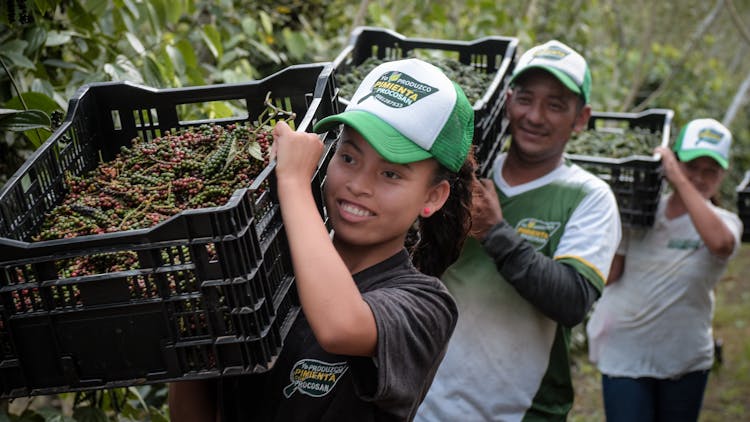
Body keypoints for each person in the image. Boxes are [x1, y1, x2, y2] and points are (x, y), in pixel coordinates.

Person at [168, 57, 478, 421]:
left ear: (433, 197)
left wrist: (293, 182)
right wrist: (190, 341)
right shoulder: (269, 272)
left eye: (391, 174)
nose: (359, 185)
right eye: (348, 157)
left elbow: (340, 325)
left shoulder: (425, 306)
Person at [416, 40, 622, 421]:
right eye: (525, 99)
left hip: (523, 411)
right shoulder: (465, 178)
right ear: (507, 100)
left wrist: (496, 234)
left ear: (581, 117)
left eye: (556, 104)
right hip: (428, 402)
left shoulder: (590, 197)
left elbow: (573, 300)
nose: (535, 116)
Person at [585, 118, 742, 422]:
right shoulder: (643, 212)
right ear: (676, 161)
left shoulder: (725, 223)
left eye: (710, 170)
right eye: (691, 166)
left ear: (722, 175)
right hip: (625, 355)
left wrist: (678, 178)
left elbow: (720, 244)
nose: (699, 177)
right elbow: (612, 274)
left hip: (684, 359)